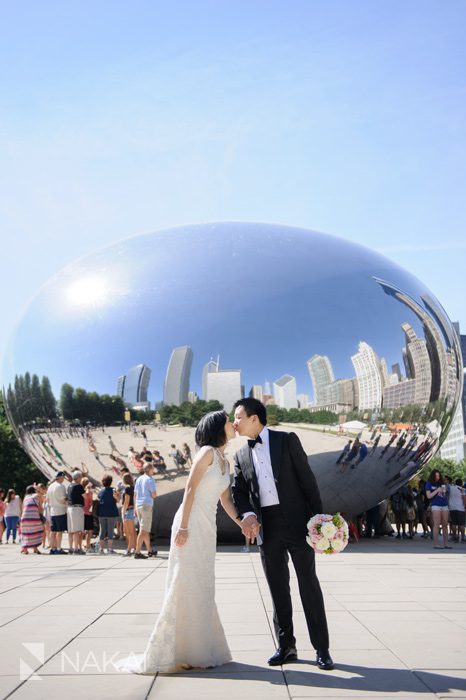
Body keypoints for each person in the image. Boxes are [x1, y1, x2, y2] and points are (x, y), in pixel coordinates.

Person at [119, 410, 240, 673]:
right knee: (185, 580)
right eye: (229, 421)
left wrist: (242, 522)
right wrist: (183, 526)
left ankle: (197, 648)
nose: (233, 424)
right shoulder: (206, 452)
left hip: (208, 526)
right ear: (219, 427)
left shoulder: (224, 461)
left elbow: (226, 500)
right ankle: (180, 649)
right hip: (191, 521)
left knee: (203, 582)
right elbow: (190, 489)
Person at [232, 398, 333, 671]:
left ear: (254, 418)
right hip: (267, 527)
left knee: (308, 584)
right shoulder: (240, 455)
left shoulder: (286, 440)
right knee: (278, 588)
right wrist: (247, 514)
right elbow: (238, 492)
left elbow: (308, 481)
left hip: (298, 523)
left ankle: (322, 648)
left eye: (238, 417)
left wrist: (319, 521)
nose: (235, 422)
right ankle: (286, 645)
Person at [134, 459, 158, 559]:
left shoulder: (139, 479)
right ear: (149, 470)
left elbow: (135, 494)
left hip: (139, 505)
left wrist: (135, 506)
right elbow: (154, 494)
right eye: (152, 468)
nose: (154, 470)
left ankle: (149, 551)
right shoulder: (150, 479)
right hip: (147, 505)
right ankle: (137, 552)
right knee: (143, 530)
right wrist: (154, 495)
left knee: (145, 529)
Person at [425, 469, 451, 549]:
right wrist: (436, 490)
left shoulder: (442, 483)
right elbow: (428, 496)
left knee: (445, 525)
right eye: (436, 475)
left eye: (439, 475)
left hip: (444, 504)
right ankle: (436, 544)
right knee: (436, 524)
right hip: (435, 505)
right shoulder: (429, 483)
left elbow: (446, 495)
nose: (438, 477)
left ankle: (446, 544)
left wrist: (444, 490)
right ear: (433, 476)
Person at [46, 472, 68, 554]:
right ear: (60, 477)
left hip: (52, 511)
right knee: (60, 531)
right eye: (63, 477)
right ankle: (58, 548)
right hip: (60, 510)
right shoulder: (61, 486)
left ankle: (52, 548)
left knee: (53, 531)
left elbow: (47, 499)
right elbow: (63, 499)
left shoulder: (50, 486)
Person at [97, 475, 120, 554]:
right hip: (112, 513)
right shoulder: (114, 490)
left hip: (102, 513)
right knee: (110, 531)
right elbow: (118, 500)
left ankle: (101, 549)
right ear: (111, 482)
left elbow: (99, 499)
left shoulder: (100, 491)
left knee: (102, 531)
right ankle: (110, 549)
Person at [20, 485, 44, 554]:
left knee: (26, 533)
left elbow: (22, 508)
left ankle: (25, 549)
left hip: (24, 518)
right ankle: (35, 548)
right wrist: (41, 514)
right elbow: (40, 508)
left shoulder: (25, 497)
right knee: (36, 532)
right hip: (34, 518)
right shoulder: (36, 496)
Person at [67, 471, 86, 554]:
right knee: (77, 530)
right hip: (77, 508)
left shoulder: (69, 486)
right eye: (81, 477)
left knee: (70, 530)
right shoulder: (79, 486)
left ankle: (71, 548)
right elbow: (85, 496)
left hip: (70, 508)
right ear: (78, 478)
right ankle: (76, 549)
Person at [122, 473, 136, 556]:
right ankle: (134, 548)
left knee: (129, 532)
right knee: (133, 532)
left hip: (129, 510)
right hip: (133, 510)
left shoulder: (127, 489)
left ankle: (129, 549)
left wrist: (123, 511)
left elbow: (126, 502)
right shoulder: (134, 488)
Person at [81, 477, 95, 552]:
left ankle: (80, 545)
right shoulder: (88, 492)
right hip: (88, 512)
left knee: (82, 531)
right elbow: (90, 501)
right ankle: (88, 546)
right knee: (89, 531)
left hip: (82, 512)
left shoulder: (81, 491)